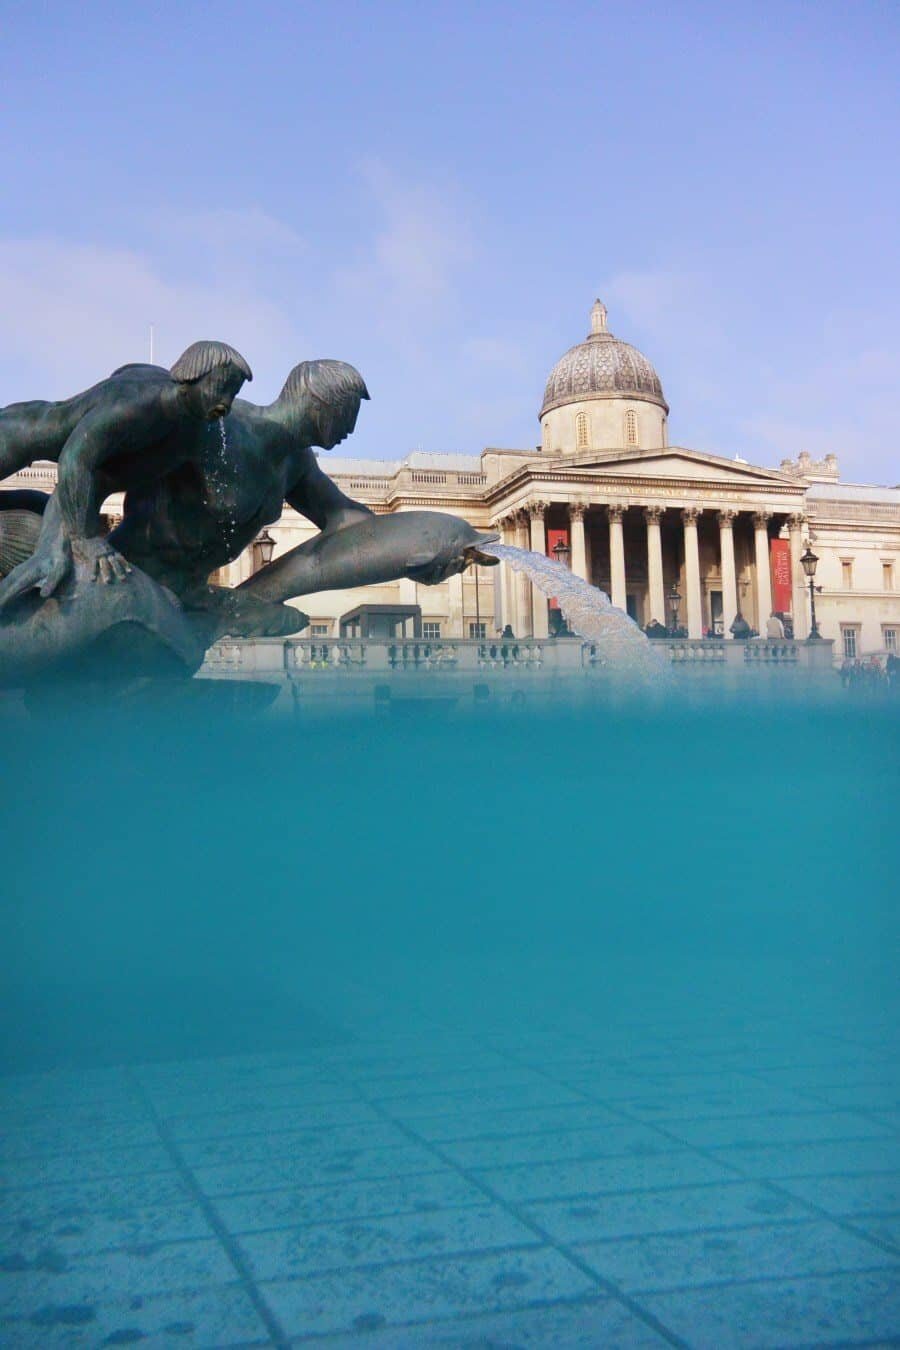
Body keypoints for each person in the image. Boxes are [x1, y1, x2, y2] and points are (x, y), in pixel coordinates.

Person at [110, 359, 495, 638]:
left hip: (187, 596)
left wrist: (427, 549)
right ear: (323, 405)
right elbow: (110, 466)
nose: (351, 427)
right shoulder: (222, 426)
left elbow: (350, 524)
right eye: (349, 413)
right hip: (126, 581)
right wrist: (74, 536)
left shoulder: (295, 462)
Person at [0, 341, 252, 607]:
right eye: (220, 388)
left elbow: (126, 370)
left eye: (232, 394)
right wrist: (84, 538)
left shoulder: (186, 423)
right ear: (192, 375)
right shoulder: (139, 405)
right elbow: (75, 460)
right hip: (15, 438)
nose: (226, 403)